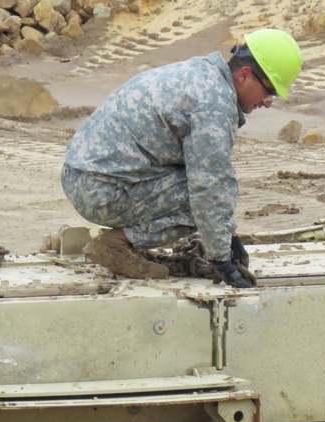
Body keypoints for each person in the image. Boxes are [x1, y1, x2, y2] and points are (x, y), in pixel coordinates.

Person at [61, 28, 303, 288]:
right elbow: (209, 188)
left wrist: (230, 236)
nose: (267, 103)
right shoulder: (214, 105)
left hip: (85, 176)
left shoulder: (201, 73)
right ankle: (117, 244)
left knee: (211, 197)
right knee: (206, 202)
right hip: (102, 191)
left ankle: (124, 239)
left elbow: (205, 172)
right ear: (245, 76)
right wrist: (222, 259)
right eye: (270, 92)